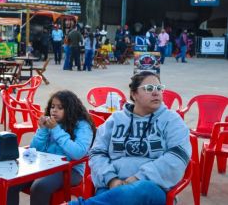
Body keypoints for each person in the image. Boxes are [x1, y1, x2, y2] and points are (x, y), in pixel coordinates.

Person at [68, 71, 191, 205]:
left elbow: (177, 158)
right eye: (149, 88)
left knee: (141, 189)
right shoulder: (115, 120)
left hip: (151, 187)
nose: (156, 93)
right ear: (134, 94)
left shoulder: (172, 120)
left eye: (159, 88)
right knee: (113, 197)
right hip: (113, 185)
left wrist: (139, 178)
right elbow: (97, 153)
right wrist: (111, 179)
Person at [7, 90, 96, 205]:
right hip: (46, 166)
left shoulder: (82, 125)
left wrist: (56, 130)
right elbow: (35, 149)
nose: (54, 110)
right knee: (11, 183)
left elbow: (78, 152)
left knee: (39, 187)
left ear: (70, 109)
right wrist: (43, 130)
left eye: (60, 107)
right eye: (52, 106)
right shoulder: (51, 122)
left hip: (70, 169)